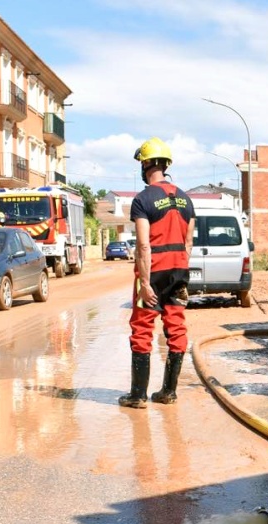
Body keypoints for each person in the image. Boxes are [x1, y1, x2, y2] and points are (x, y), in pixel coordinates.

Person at [119, 137, 196, 409]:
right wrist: (180, 271)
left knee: (142, 327)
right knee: (176, 327)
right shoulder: (186, 199)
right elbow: (188, 243)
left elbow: (143, 244)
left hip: (154, 272)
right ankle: (168, 392)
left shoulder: (142, 200)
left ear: (146, 165)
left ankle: (138, 395)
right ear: (166, 165)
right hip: (179, 272)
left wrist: (145, 283)